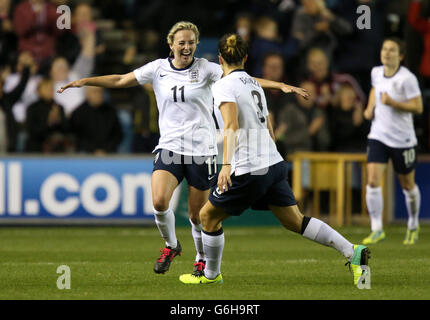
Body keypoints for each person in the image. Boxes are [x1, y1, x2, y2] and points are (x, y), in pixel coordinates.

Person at [58, 21, 308, 276]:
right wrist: (85, 81)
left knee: (197, 215)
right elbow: (121, 79)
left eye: (191, 42)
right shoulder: (157, 69)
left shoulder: (207, 69)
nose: (186, 47)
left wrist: (279, 86)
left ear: (196, 44)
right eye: (182, 42)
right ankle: (171, 245)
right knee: (158, 201)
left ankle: (200, 257)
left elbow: (242, 79)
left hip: (202, 149)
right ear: (171, 44)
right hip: (169, 147)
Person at [179, 33, 370, 287]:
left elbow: (231, 125)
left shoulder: (223, 86)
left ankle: (211, 276)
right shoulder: (254, 84)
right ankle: (353, 252)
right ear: (246, 58)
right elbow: (266, 121)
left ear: (221, 58)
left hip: (250, 167)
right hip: (273, 163)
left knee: (207, 217)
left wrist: (226, 165)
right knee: (295, 221)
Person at [362, 37, 423, 245]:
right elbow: (374, 89)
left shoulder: (407, 79)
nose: (386, 53)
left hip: (403, 139)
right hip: (378, 135)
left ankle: (413, 224)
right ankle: (377, 228)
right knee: (372, 180)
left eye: (392, 50)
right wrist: (371, 107)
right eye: (384, 49)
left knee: (407, 185)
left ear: (401, 56)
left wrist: (393, 103)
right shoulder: (376, 72)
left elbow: (418, 107)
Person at [69, 86, 123, 155]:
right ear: (87, 94)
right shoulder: (78, 113)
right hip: (85, 153)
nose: (99, 95)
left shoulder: (111, 111)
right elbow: (76, 137)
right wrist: (93, 150)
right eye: (95, 92)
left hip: (108, 152)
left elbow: (118, 135)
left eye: (101, 92)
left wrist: (106, 150)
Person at [25, 77, 67, 153]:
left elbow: (66, 129)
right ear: (39, 91)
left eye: (51, 89)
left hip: (56, 148)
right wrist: (49, 122)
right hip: (36, 147)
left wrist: (58, 120)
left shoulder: (59, 108)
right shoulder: (32, 108)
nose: (50, 91)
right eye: (47, 88)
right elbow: (32, 131)